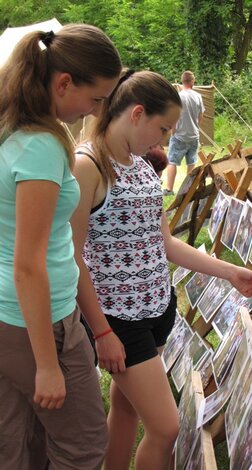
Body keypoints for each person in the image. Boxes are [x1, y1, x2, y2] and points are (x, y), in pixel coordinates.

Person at [71, 69, 252, 470]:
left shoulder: (141, 166)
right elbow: (70, 258)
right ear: (137, 114)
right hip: (117, 319)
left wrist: (228, 272)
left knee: (125, 410)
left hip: (158, 308)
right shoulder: (88, 165)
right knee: (166, 428)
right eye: (163, 129)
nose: (163, 141)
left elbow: (165, 242)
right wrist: (102, 331)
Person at [0, 24, 122, 470]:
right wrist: (48, 364)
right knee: (84, 446)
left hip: (9, 317)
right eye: (95, 98)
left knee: (16, 443)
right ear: (64, 83)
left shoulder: (11, 130)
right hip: (39, 320)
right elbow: (30, 264)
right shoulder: (40, 148)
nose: (97, 109)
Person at [163, 70, 205, 196]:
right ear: (192, 81)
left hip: (180, 136)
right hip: (194, 135)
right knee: (191, 163)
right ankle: (188, 190)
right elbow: (201, 116)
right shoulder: (198, 96)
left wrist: (173, 131)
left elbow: (174, 116)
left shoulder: (178, 97)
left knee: (172, 162)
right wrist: (195, 126)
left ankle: (169, 189)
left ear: (182, 81)